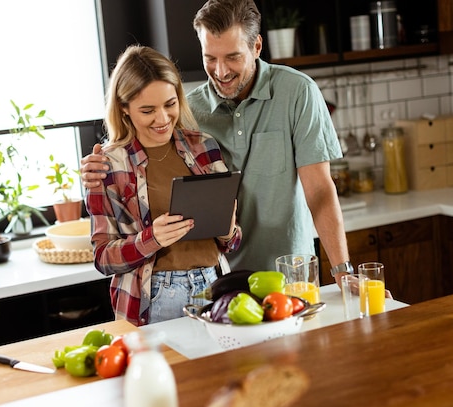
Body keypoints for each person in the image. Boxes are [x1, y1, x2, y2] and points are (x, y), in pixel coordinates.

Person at [81, 0, 353, 283]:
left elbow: (320, 190)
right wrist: (97, 164)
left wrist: (343, 272)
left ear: (257, 47)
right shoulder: (187, 111)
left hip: (287, 272)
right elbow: (136, 137)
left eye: (233, 57)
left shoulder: (297, 92)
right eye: (210, 58)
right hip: (218, 280)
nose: (221, 71)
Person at [86, 45, 242, 326]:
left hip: (213, 285)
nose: (163, 119)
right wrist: (151, 239)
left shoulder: (203, 146)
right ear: (124, 109)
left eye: (170, 104)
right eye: (147, 110)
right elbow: (103, 258)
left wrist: (229, 230)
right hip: (156, 296)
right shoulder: (107, 165)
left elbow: (231, 241)